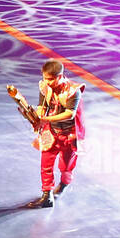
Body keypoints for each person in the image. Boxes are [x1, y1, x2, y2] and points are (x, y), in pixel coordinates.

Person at [22, 59, 84, 208]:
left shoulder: (73, 91)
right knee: (46, 165)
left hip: (69, 135)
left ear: (59, 76)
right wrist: (36, 116)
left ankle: (64, 183)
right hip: (51, 132)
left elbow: (70, 114)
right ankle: (47, 196)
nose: (47, 82)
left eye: (50, 79)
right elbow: (42, 105)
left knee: (66, 166)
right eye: (44, 78)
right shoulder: (44, 86)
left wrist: (45, 119)